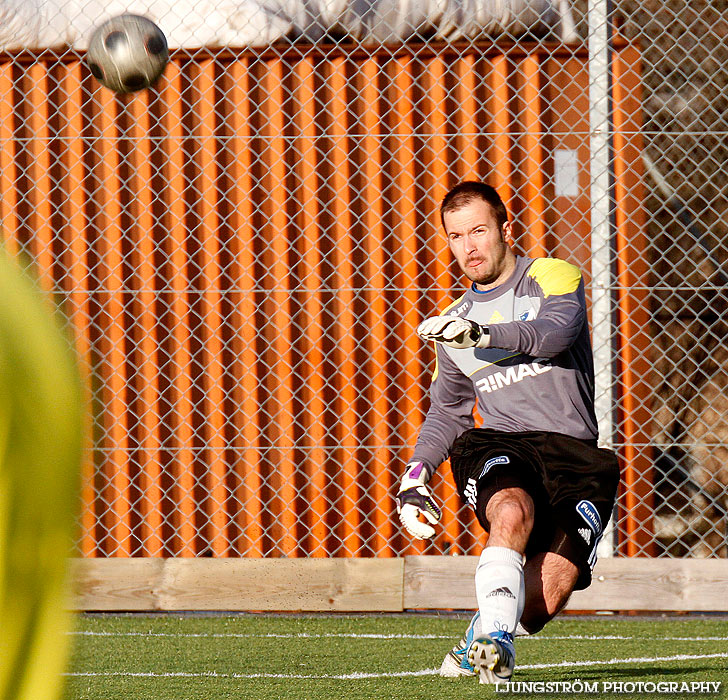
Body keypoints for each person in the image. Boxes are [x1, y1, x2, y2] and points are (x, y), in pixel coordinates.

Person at [395, 181, 619, 684]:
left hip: (574, 455)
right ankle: (498, 647)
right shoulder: (452, 324)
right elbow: (448, 412)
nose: (468, 247)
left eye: (478, 231)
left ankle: (482, 630)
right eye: (456, 237)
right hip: (502, 443)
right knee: (511, 509)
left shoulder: (549, 275)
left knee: (541, 600)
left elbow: (556, 332)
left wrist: (485, 335)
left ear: (504, 230)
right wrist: (415, 476)